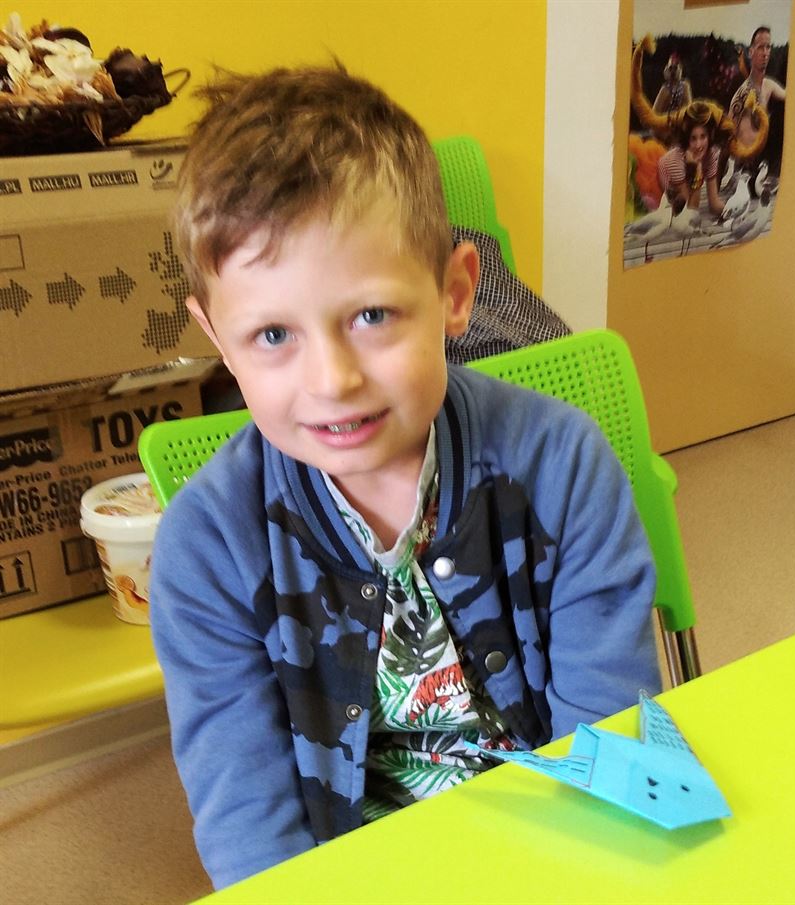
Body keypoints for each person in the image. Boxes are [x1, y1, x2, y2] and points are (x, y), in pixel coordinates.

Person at [150, 65, 661, 890]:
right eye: (273, 334)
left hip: (558, 858)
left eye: (371, 315)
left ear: (455, 293)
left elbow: (610, 745)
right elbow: (250, 826)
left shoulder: (564, 466)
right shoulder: (206, 546)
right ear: (218, 338)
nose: (332, 380)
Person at [657, 100, 725, 218]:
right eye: (693, 139)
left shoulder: (710, 154)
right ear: (686, 139)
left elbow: (714, 204)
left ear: (710, 136)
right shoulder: (675, 161)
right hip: (660, 200)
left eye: (703, 137)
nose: (699, 145)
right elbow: (690, 211)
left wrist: (734, 212)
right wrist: (697, 169)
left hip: (683, 201)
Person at [729, 26, 786, 151]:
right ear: (750, 52)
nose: (765, 53)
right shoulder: (741, 96)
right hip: (744, 158)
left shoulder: (769, 85)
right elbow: (729, 139)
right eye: (760, 47)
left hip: (765, 156)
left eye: (768, 47)